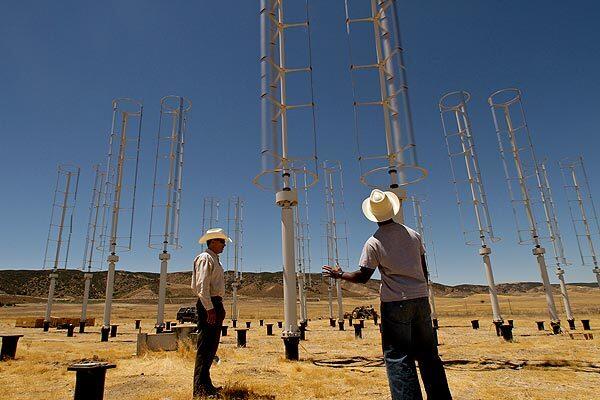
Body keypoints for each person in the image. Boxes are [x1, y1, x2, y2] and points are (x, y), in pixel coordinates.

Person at [323, 189, 452, 400]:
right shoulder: (413, 235)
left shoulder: (373, 242)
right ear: (392, 209)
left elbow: (363, 276)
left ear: (373, 216)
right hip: (420, 299)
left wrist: (340, 274)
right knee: (429, 354)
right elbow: (424, 269)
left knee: (398, 357)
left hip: (395, 303)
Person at [191, 228, 231, 398]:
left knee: (211, 347)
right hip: (209, 304)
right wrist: (209, 309)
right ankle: (199, 389)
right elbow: (202, 286)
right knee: (205, 346)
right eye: (221, 241)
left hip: (215, 303)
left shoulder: (214, 259)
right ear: (213, 241)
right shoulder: (205, 258)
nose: (223, 245)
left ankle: (207, 385)